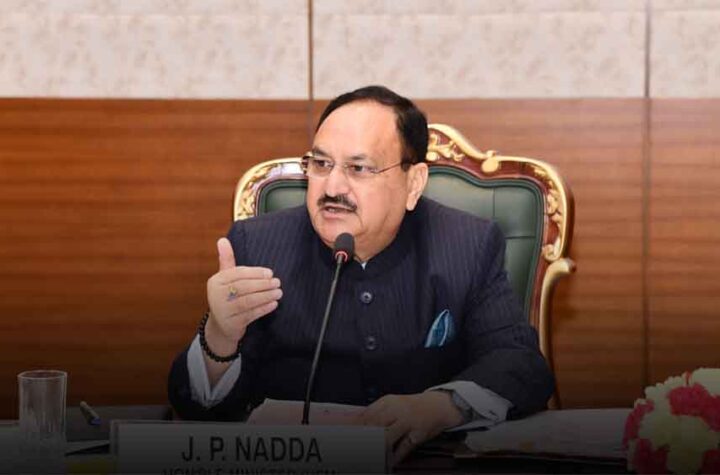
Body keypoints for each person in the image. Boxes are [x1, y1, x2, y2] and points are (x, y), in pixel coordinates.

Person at [168, 85, 554, 465]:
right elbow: (197, 410)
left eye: (358, 168)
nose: (333, 187)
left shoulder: (467, 244)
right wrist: (219, 338)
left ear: (413, 183)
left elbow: (519, 363)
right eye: (321, 164)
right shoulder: (258, 245)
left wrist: (440, 406)